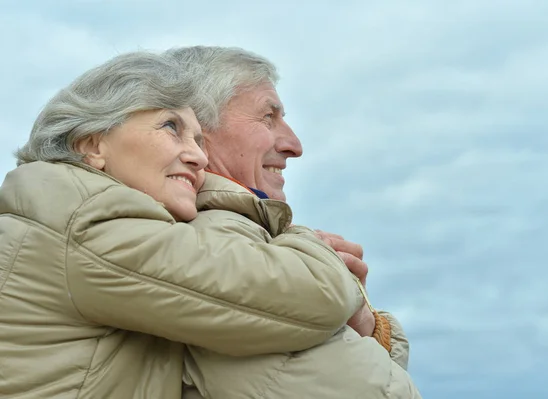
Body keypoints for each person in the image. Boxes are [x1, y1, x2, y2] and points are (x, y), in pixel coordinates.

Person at [0, 51, 365, 398]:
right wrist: (310, 244)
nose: (199, 157)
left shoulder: (64, 211)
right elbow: (316, 297)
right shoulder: (84, 218)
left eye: (199, 139)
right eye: (171, 127)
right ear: (92, 144)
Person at [166, 46, 422, 398]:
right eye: (268, 117)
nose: (294, 145)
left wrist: (363, 321)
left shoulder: (239, 245)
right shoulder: (212, 244)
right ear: (195, 132)